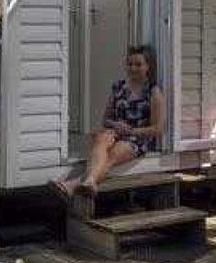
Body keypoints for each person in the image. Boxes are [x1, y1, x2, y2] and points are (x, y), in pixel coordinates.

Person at [54, 45, 167, 198]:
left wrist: (131, 131)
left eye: (138, 64)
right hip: (116, 132)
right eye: (129, 64)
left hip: (138, 139)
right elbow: (105, 120)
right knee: (100, 139)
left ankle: (75, 184)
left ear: (147, 66)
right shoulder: (119, 87)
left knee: (111, 154)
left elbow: (157, 129)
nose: (133, 68)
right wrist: (116, 125)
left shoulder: (153, 92)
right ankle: (89, 183)